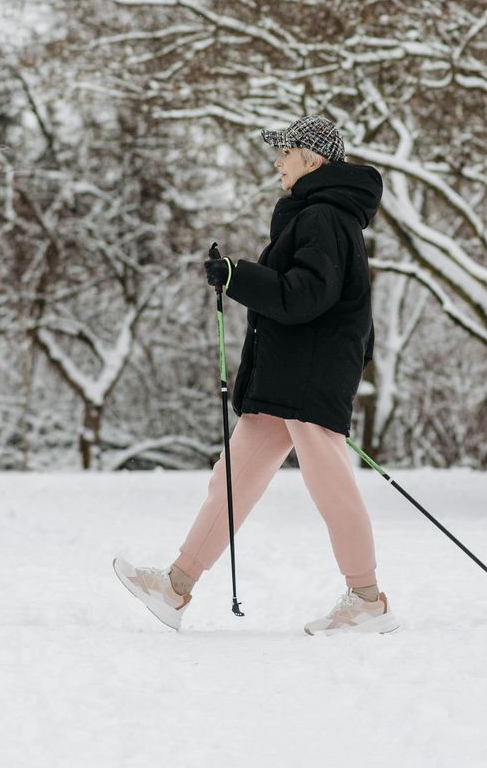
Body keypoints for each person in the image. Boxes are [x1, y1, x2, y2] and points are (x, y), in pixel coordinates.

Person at [113, 114, 396, 635]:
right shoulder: (313, 215)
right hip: (288, 375)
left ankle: (367, 601)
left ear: (311, 159)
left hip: (309, 375)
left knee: (329, 482)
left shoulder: (324, 217)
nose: (275, 162)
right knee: (232, 479)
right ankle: (175, 588)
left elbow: (306, 295)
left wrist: (237, 276)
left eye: (284, 153)